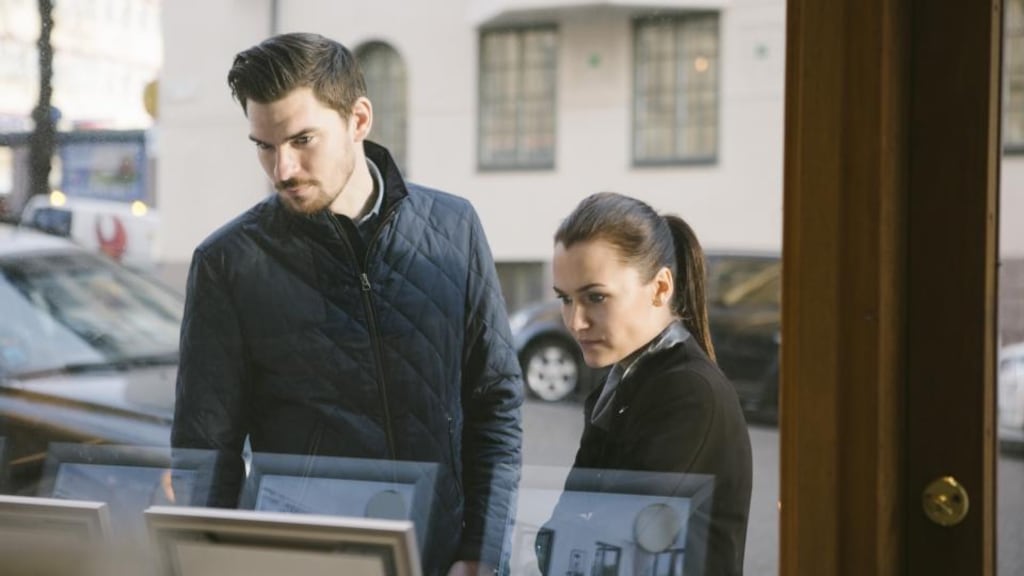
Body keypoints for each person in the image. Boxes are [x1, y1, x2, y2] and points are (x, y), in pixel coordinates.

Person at [171, 32, 523, 576]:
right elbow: (205, 454)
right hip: (307, 565)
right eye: (264, 146)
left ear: (359, 120)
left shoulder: (454, 228)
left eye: (302, 140)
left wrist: (481, 553)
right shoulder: (228, 263)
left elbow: (495, 403)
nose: (282, 169)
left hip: (445, 561)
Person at [549, 192, 752, 575]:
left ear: (660, 288)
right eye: (565, 299)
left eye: (595, 297)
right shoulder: (621, 384)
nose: (575, 322)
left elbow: (608, 549)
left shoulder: (690, 393)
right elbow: (558, 540)